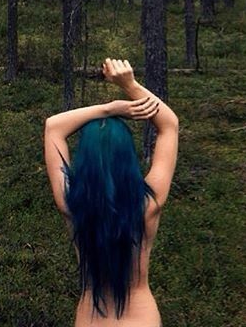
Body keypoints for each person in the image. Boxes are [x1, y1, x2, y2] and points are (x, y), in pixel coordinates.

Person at [44, 58, 179, 327]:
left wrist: (108, 109)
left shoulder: (73, 205)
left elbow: (53, 128)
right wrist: (129, 85)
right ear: (128, 158)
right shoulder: (146, 204)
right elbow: (169, 126)